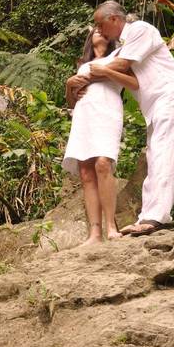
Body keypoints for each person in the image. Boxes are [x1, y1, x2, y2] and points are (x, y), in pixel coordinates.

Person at [66, 0, 174, 237]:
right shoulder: (125, 45)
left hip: (171, 95)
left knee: (164, 153)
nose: (99, 30)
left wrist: (87, 74)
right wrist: (81, 78)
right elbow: (111, 65)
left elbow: (120, 66)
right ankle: (148, 216)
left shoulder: (140, 30)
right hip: (157, 104)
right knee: (155, 154)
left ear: (114, 19)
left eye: (100, 24)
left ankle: (156, 217)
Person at [62, 28, 139, 246]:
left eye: (102, 29)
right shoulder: (83, 64)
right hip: (84, 114)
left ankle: (111, 228)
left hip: (108, 110)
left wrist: (98, 74)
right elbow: (72, 102)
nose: (99, 31)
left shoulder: (119, 56)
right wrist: (69, 86)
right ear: (89, 39)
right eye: (95, 30)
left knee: (103, 163)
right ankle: (94, 234)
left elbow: (134, 84)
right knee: (86, 171)